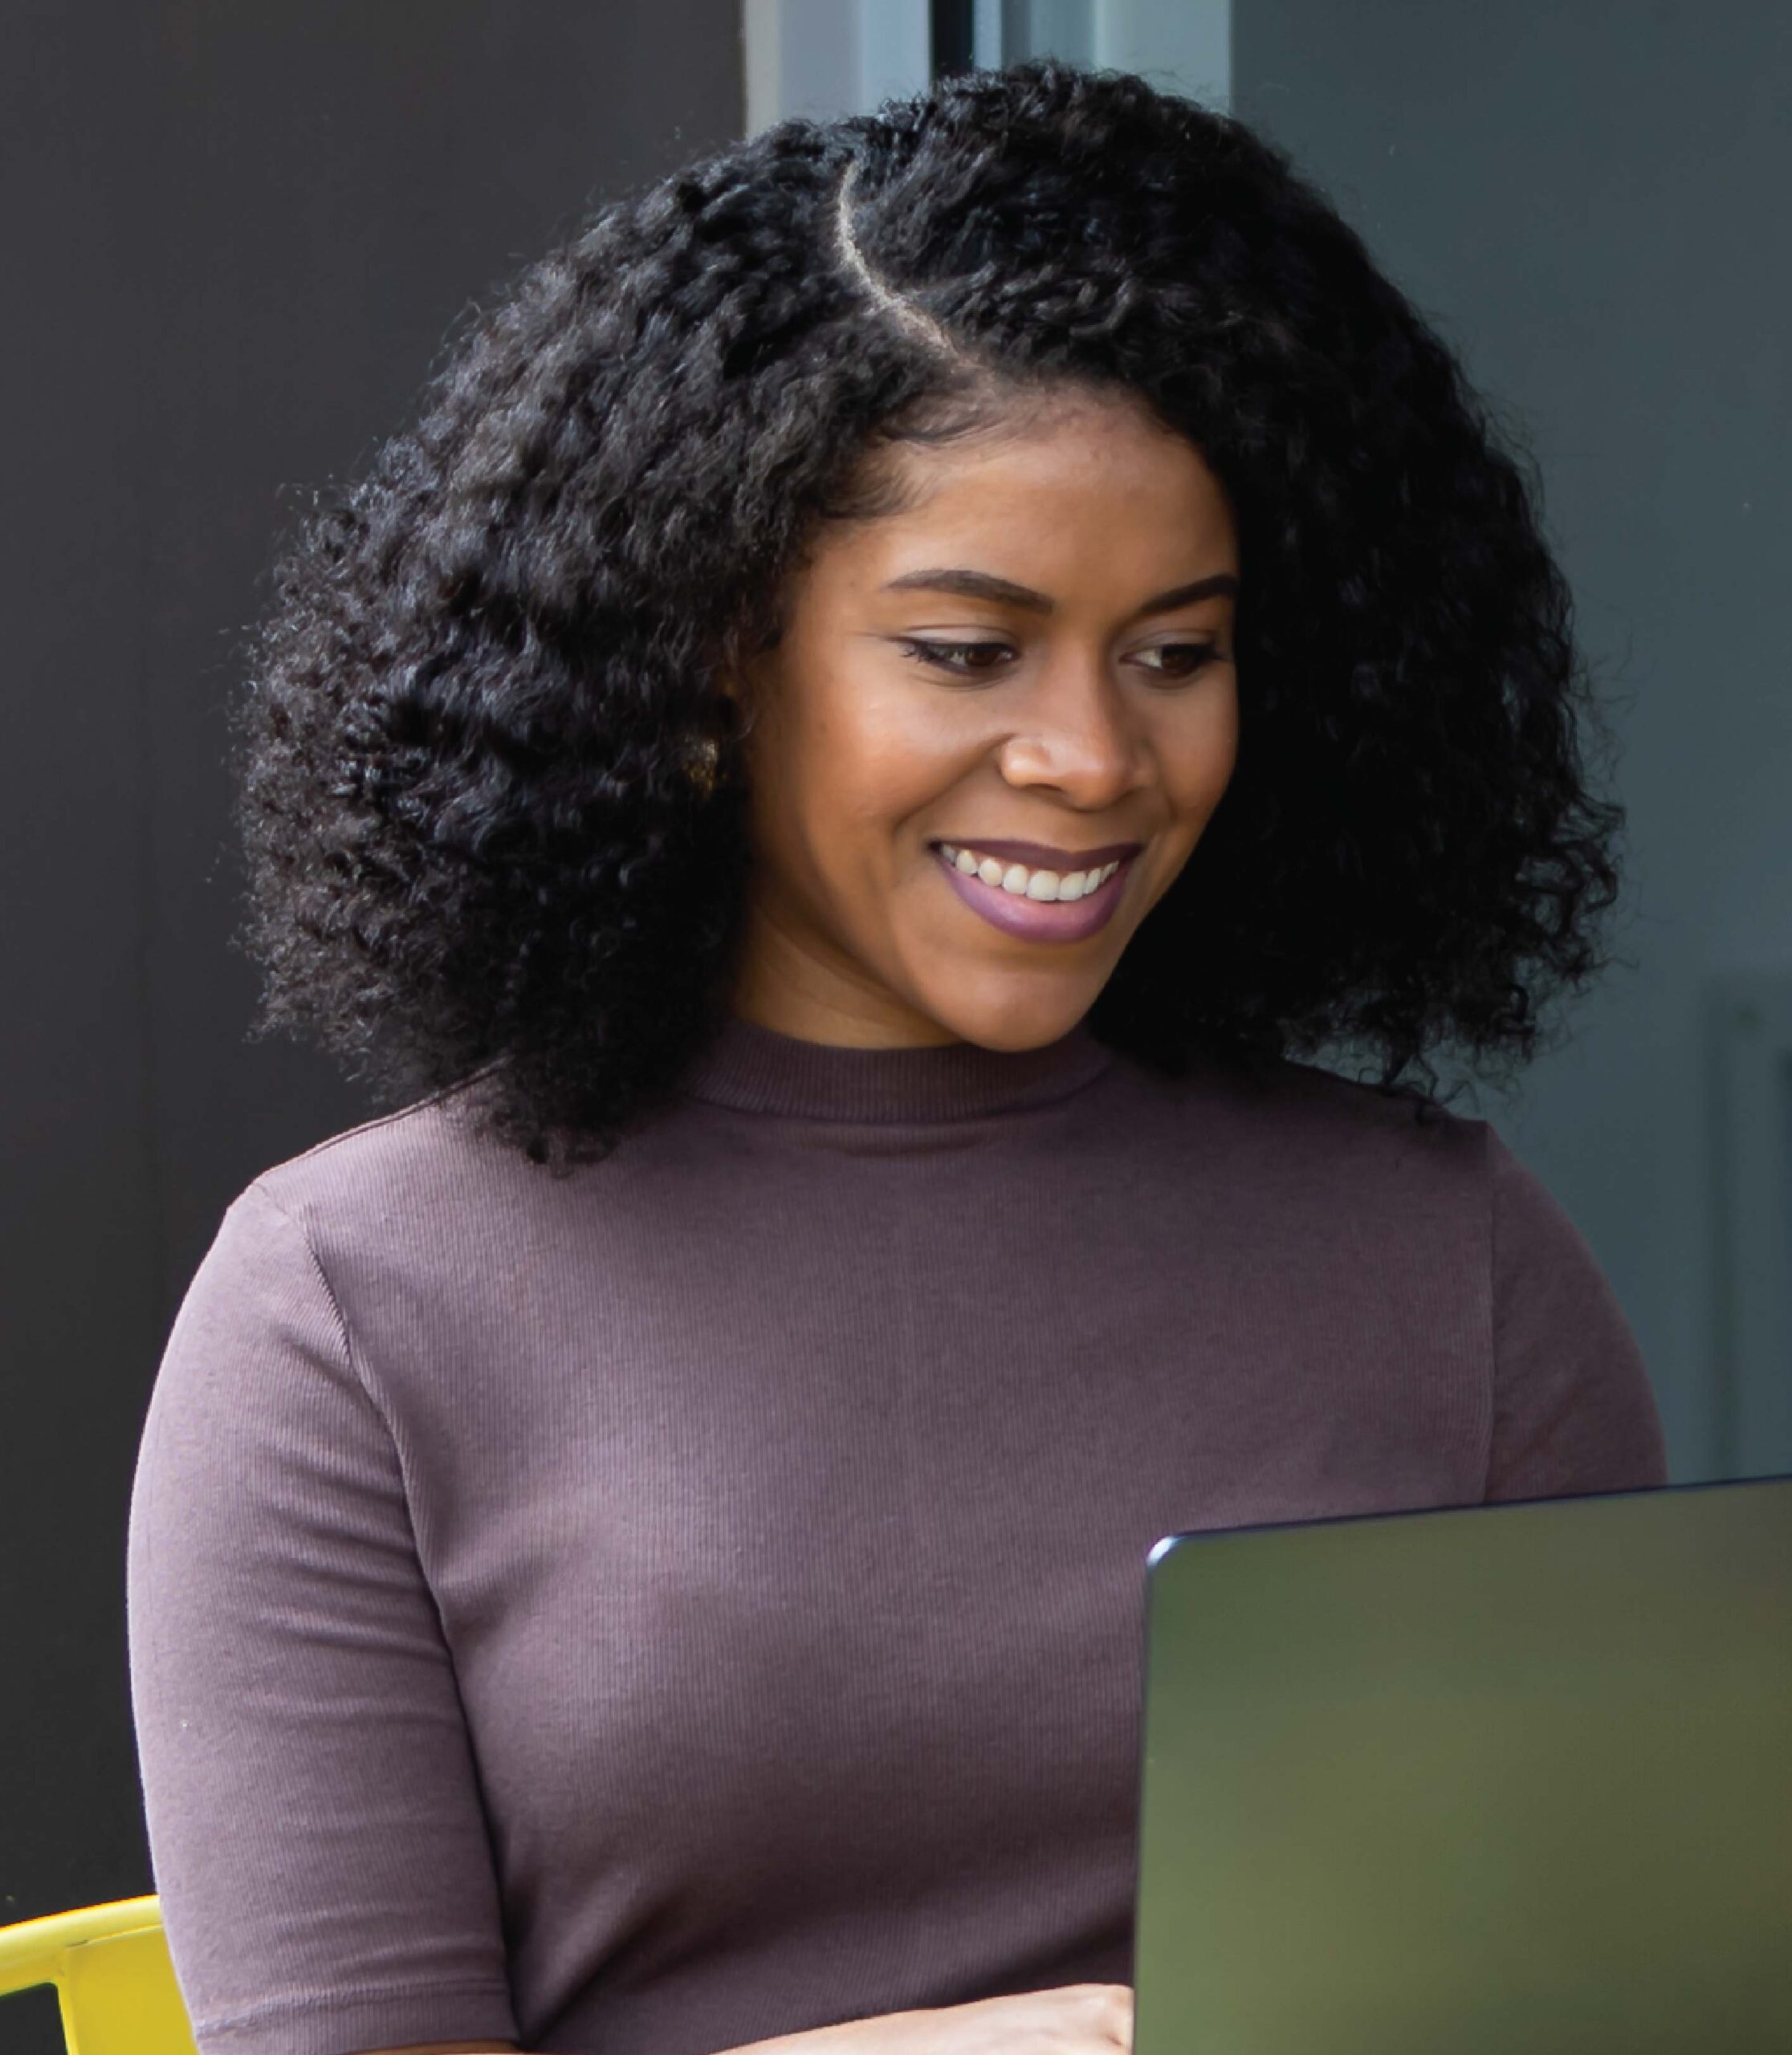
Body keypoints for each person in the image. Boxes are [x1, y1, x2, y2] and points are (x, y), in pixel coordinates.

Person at [124, 55, 1667, 2055]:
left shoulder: (1453, 1264)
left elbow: (1625, 1981)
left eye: (1176, 651)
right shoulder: (347, 1307)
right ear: (708, 656)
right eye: (967, 648)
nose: (1095, 758)